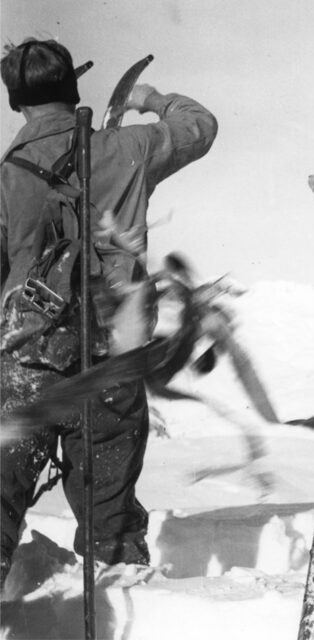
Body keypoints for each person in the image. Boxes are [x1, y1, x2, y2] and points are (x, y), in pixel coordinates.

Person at [0, 38, 218, 588]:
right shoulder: (130, 147)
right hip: (111, 357)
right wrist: (151, 97)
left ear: (14, 102)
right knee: (110, 516)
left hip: (29, 357)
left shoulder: (7, 176)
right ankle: (124, 601)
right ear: (73, 88)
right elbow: (201, 125)